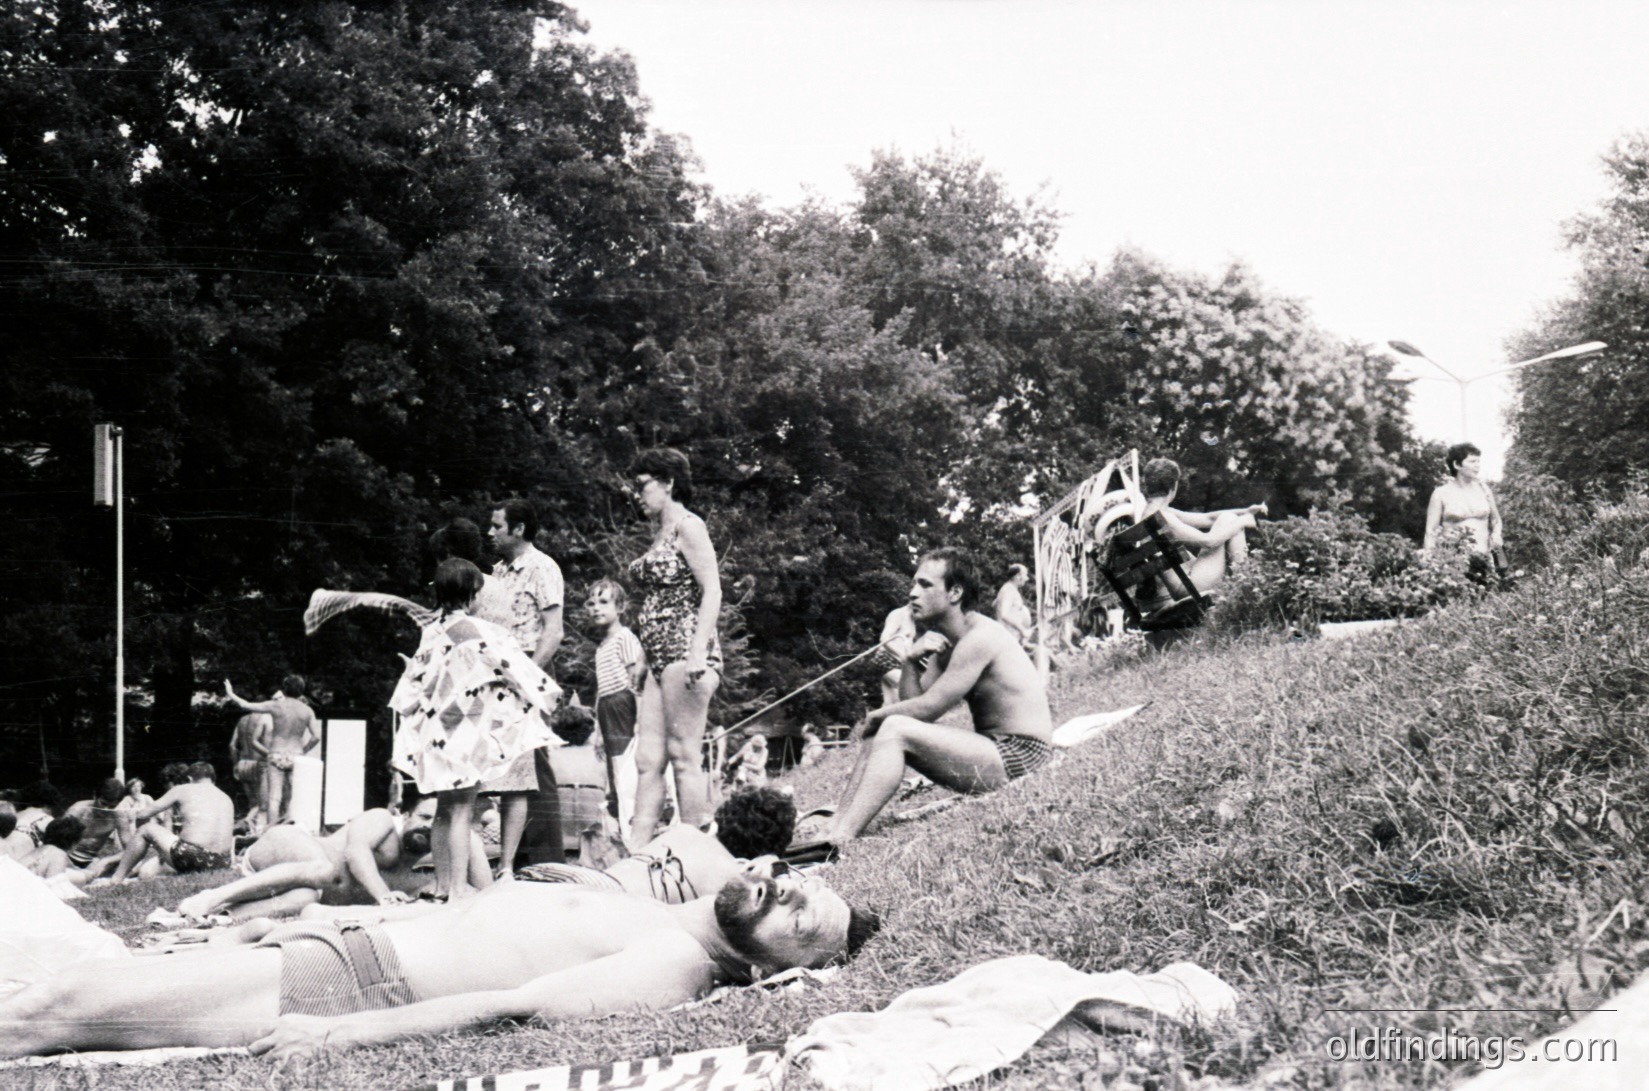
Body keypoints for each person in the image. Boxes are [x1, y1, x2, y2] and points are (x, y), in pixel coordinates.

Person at [1, 859, 880, 1062]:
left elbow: (516, 1005)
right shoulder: (644, 900)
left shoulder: (676, 961)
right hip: (339, 944)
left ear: (769, 971)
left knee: (61, 1003)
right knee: (46, 984)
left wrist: (345, 1032)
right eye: (797, 878)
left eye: (800, 916)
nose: (784, 888)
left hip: (345, 981)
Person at [816, 547, 1055, 849]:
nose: (913, 593)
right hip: (996, 749)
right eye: (914, 583)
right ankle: (838, 824)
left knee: (892, 727)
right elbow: (913, 701)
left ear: (955, 592)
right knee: (887, 728)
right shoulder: (946, 642)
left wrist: (877, 715)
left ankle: (841, 838)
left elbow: (928, 709)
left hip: (1022, 755)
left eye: (925, 585)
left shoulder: (978, 638)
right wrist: (909, 663)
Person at [390, 558, 560, 900]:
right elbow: (518, 670)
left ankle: (440, 884)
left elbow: (412, 683)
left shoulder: (431, 632)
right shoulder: (481, 632)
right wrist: (543, 696)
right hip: (466, 735)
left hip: (437, 733)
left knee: (442, 809)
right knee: (462, 812)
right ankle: (456, 890)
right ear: (471, 595)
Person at [172, 798, 488, 920]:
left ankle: (220, 916)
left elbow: (481, 892)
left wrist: (467, 832)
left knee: (306, 899)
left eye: (436, 823)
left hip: (305, 881)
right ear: (404, 815)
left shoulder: (424, 874)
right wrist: (383, 897)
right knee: (325, 870)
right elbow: (355, 853)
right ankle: (212, 896)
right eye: (422, 816)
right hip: (289, 845)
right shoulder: (381, 819)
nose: (426, 825)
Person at [627, 448, 724, 845]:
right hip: (657, 659)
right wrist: (642, 658)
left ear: (668, 482)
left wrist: (698, 651)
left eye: (642, 485)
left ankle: (692, 849)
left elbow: (713, 590)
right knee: (648, 759)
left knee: (684, 757)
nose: (637, 494)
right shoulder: (661, 534)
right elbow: (655, 603)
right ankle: (635, 854)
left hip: (686, 654)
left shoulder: (690, 526)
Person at [487, 499, 566, 870]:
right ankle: (516, 859)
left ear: (519, 529)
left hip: (529, 667)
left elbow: (554, 631)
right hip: (499, 673)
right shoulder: (497, 572)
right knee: (509, 768)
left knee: (535, 765)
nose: (490, 533)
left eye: (497, 526)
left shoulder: (542, 567)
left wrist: (530, 677)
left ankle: (547, 859)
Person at [1132, 457, 1266, 600]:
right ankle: (1246, 587)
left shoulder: (1153, 513)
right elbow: (1208, 541)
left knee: (1228, 518)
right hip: (1188, 586)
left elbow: (1208, 518)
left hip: (1186, 581)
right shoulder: (1163, 517)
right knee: (1230, 520)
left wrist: (1245, 511)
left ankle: (1245, 584)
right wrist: (1243, 522)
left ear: (1148, 486)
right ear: (1173, 486)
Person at [105, 762, 235, 881]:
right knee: (153, 868)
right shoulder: (226, 798)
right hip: (222, 863)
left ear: (189, 779)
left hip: (194, 857)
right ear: (213, 779)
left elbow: (145, 813)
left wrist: (127, 812)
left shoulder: (182, 789)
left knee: (146, 829)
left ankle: (116, 879)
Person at [587, 578, 646, 838]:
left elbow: (638, 681)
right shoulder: (601, 648)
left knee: (627, 772)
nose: (596, 608)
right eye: (591, 603)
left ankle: (633, 830)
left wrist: (640, 719)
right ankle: (621, 830)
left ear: (620, 607)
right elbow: (602, 691)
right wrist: (598, 732)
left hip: (625, 707)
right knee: (613, 772)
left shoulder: (625, 638)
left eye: (603, 602)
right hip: (607, 711)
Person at [224, 674, 320, 827]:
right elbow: (316, 737)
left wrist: (230, 693)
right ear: (301, 690)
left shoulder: (276, 706)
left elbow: (246, 705)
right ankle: (290, 830)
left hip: (275, 753)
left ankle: (271, 831)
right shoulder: (307, 710)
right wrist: (303, 750)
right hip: (296, 755)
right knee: (292, 796)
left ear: (285, 688)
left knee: (274, 798)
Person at [1423, 442, 1505, 571]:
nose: (1477, 466)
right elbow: (1430, 532)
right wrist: (1429, 562)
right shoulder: (1440, 493)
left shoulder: (1484, 490)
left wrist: (1496, 533)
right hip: (1453, 562)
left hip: (1484, 561)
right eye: (1472, 462)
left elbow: (1496, 520)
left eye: (1478, 462)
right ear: (1457, 464)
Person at [61, 778, 128, 869]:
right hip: (65, 856)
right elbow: (55, 842)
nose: (106, 809)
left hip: (90, 861)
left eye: (112, 806)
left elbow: (131, 849)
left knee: (133, 865)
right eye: (103, 803)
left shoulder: (118, 817)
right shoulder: (78, 809)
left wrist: (107, 860)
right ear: (94, 796)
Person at [228, 711, 272, 830]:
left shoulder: (242, 719)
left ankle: (249, 827)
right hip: (259, 764)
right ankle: (247, 823)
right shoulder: (266, 719)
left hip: (242, 763)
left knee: (253, 804)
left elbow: (232, 745)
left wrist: (235, 764)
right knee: (263, 805)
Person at [992, 563, 1036, 645]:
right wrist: (1023, 630)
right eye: (1025, 575)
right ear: (1017, 576)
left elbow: (994, 604)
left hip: (1013, 638)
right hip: (1008, 640)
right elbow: (1004, 614)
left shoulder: (1009, 589)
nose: (1027, 579)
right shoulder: (1008, 590)